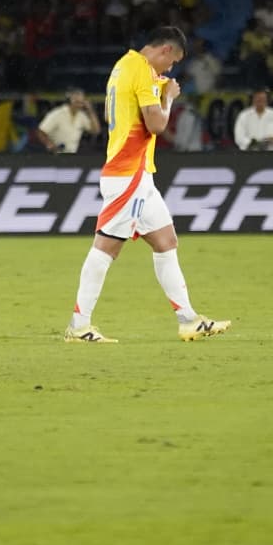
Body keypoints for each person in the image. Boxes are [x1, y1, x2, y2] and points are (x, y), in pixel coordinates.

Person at [64, 26, 231, 344]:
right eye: (173, 62)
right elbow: (155, 125)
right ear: (166, 50)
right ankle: (79, 325)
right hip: (128, 174)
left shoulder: (124, 65)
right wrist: (167, 99)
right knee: (106, 248)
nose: (170, 69)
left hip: (139, 174)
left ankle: (188, 320)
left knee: (166, 241)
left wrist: (159, 87)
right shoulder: (141, 70)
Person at [36, 88, 101, 154]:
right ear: (69, 101)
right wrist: (49, 144)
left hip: (72, 155)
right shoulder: (57, 113)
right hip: (55, 155)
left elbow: (96, 130)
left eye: (81, 102)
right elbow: (41, 131)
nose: (79, 105)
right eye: (76, 101)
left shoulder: (81, 116)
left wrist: (90, 111)